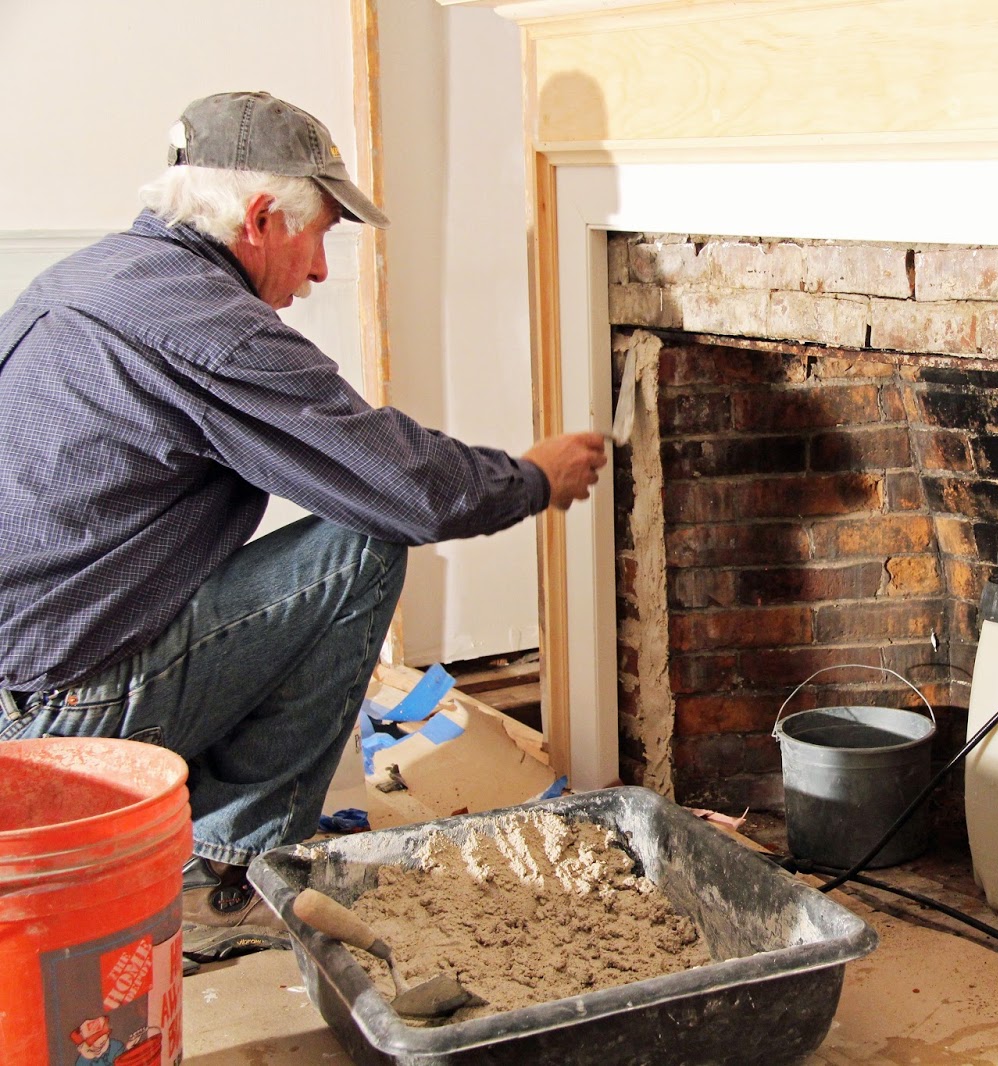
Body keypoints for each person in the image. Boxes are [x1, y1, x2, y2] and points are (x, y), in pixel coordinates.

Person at [0, 92, 607, 955]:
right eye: (319, 233)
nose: (321, 271)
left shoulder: (87, 280)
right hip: (57, 726)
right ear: (258, 218)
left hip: (22, 688)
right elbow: (402, 487)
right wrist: (533, 479)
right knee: (362, 541)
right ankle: (225, 875)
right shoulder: (211, 330)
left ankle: (197, 835)